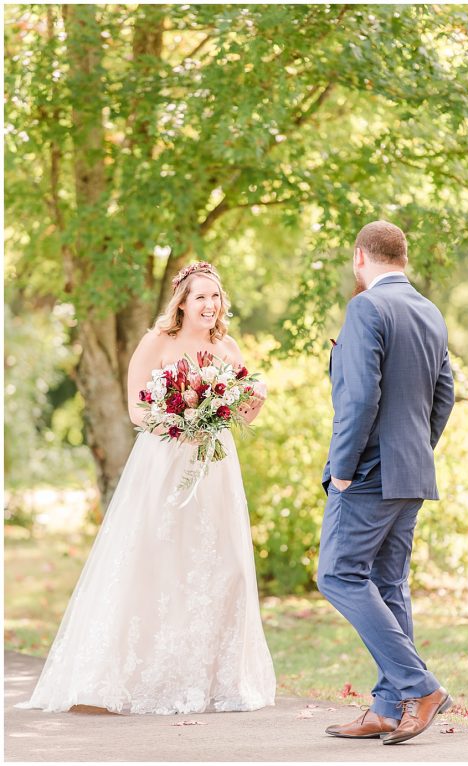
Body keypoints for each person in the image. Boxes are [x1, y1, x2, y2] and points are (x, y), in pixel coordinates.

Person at [17, 261, 275, 714]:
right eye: (201, 297)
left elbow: (244, 413)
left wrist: (256, 397)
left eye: (215, 297)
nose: (210, 305)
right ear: (182, 302)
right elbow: (137, 409)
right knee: (158, 560)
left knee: (226, 563)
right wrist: (182, 418)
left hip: (214, 468)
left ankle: (220, 679)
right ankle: (144, 674)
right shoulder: (157, 342)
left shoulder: (228, 347)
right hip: (164, 462)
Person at [318, 220, 456, 745]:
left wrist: (345, 468)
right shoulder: (429, 311)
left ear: (360, 257)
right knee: (389, 583)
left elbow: (359, 398)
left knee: (338, 575)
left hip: (368, 474)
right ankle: (387, 703)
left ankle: (420, 687)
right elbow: (445, 394)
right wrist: (416, 449)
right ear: (402, 256)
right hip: (411, 471)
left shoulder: (366, 308)